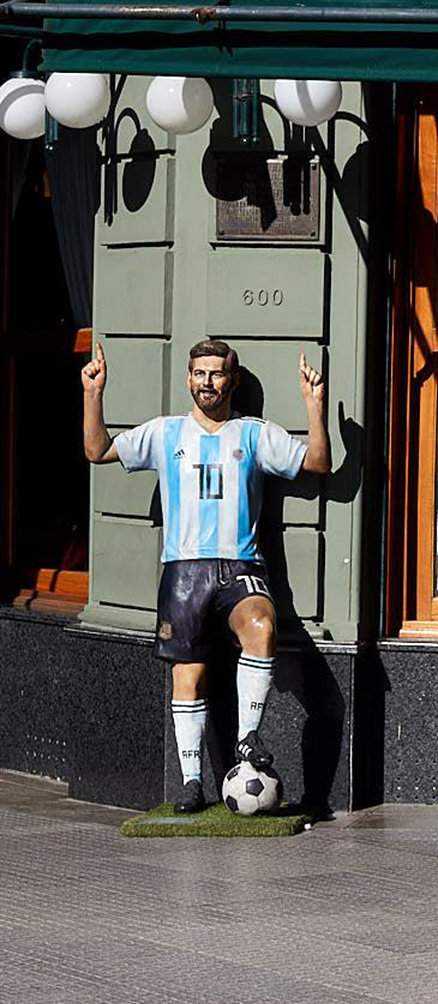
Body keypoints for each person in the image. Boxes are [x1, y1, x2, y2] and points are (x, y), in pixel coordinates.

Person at [81, 339, 331, 814]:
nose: (207, 382)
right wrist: (93, 394)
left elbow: (318, 463)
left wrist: (314, 407)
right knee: (188, 677)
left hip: (240, 566)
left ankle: (248, 739)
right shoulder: (164, 432)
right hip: (184, 571)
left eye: (216, 374)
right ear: (188, 378)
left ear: (232, 380)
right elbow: (96, 450)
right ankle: (192, 784)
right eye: (199, 373)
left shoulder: (254, 434)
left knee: (262, 624)